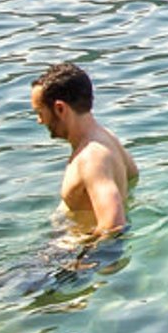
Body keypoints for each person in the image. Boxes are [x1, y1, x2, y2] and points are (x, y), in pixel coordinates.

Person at [30, 61, 138, 237]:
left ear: (60, 108)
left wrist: (82, 261)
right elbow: (133, 176)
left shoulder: (91, 159)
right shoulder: (107, 138)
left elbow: (114, 225)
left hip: (77, 254)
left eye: (40, 112)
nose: (40, 121)